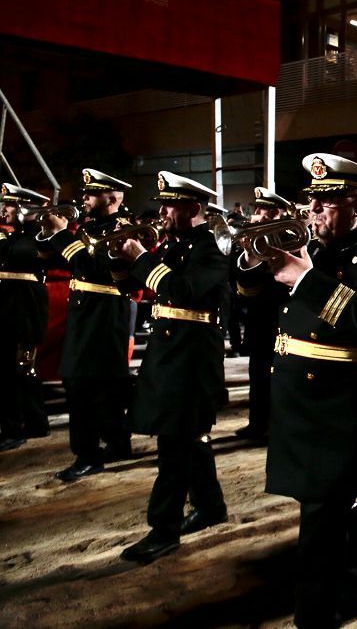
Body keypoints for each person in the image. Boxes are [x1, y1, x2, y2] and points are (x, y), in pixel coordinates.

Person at [237, 154, 357, 626]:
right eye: (313, 200)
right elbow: (248, 293)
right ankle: (353, 586)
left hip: (344, 402)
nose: (315, 210)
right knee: (333, 506)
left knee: (321, 514)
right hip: (297, 397)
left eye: (329, 201)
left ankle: (315, 611)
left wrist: (306, 278)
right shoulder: (312, 249)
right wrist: (254, 257)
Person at [112, 171, 229, 564]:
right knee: (188, 440)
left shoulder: (212, 250)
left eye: (170, 205)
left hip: (192, 361)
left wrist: (142, 258)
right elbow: (133, 286)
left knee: (174, 447)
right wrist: (121, 258)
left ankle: (163, 529)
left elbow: (179, 290)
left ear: (194, 209)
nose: (161, 211)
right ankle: (211, 506)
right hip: (169, 357)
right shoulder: (172, 246)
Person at [41, 169, 135, 480]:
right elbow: (55, 260)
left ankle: (87, 454)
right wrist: (48, 234)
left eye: (91, 193)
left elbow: (93, 269)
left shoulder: (124, 229)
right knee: (104, 385)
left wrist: (62, 235)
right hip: (86, 314)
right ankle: (118, 442)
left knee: (84, 384)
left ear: (113, 198)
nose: (84, 197)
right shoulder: (89, 227)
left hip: (105, 315)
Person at [234, 187, 294, 442]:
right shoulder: (256, 239)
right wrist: (250, 255)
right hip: (259, 316)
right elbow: (243, 286)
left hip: (280, 317)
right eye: (258, 209)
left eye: (266, 209)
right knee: (257, 373)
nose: (259, 214)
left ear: (278, 212)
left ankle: (274, 425)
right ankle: (257, 422)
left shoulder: (289, 238)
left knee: (276, 376)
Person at [0, 184, 52, 451]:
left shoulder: (39, 237)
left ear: (26, 208)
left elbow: (26, 256)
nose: (4, 209)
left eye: (9, 204)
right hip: (10, 310)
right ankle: (32, 423)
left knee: (20, 368)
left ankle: (19, 426)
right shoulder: (13, 237)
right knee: (12, 370)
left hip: (24, 310)